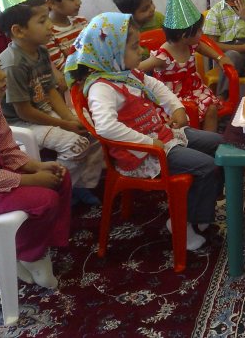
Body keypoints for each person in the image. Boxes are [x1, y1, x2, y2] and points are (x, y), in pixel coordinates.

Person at [65, 13, 223, 250]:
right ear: (111, 52)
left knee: (220, 144)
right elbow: (106, 127)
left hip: (162, 135)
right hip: (144, 153)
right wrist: (147, 142)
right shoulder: (102, 88)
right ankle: (184, 222)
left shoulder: (125, 74)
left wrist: (177, 108)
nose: (141, 52)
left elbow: (156, 86)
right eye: (134, 47)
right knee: (206, 166)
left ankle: (201, 211)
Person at [0, 39, 71, 289]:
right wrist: (29, 180)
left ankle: (35, 246)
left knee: (61, 177)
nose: (1, 76)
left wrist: (36, 167)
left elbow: (7, 148)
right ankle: (29, 254)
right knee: (45, 199)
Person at [0, 0, 102, 207]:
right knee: (76, 143)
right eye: (42, 21)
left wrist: (69, 117)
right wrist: (64, 124)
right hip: (22, 123)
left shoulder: (40, 50)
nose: (49, 26)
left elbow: (52, 90)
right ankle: (60, 191)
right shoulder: (12, 63)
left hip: (45, 112)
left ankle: (83, 185)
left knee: (93, 128)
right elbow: (23, 111)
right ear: (18, 30)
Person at [138, 0, 228, 132]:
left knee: (211, 109)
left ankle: (209, 144)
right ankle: (192, 143)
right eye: (199, 31)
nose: (202, 33)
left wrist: (219, 57)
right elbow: (139, 68)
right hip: (174, 97)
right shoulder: (163, 56)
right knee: (186, 117)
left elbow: (201, 47)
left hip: (195, 90)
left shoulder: (190, 43)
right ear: (184, 35)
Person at [36, 0, 88, 93]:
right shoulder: (48, 33)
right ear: (51, 3)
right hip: (74, 90)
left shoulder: (81, 22)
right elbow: (66, 71)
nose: (79, 2)